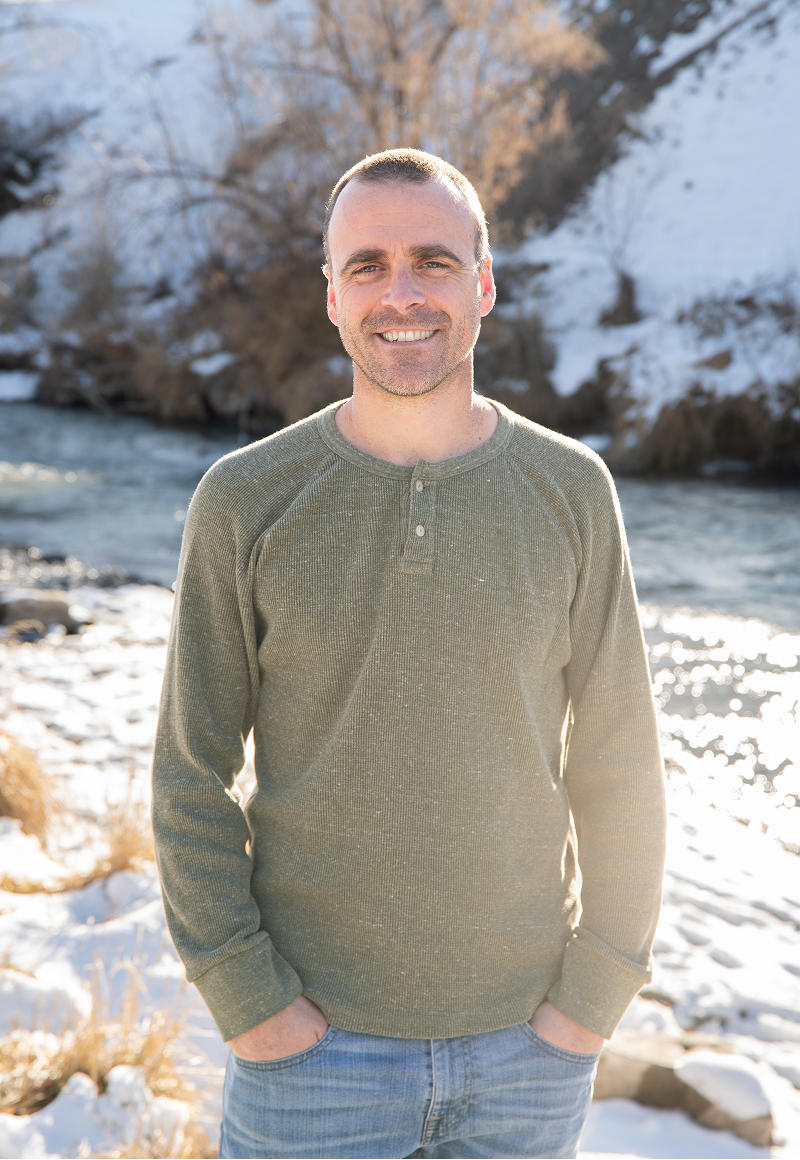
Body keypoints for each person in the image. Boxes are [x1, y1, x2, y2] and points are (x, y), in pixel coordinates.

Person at [152, 148, 666, 1160]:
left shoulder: (570, 490)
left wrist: (591, 997)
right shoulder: (244, 498)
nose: (401, 294)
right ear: (332, 296)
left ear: (482, 282)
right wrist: (248, 996)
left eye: (433, 261)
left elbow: (618, 759)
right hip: (310, 1056)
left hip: (526, 1053)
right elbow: (189, 770)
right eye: (367, 265)